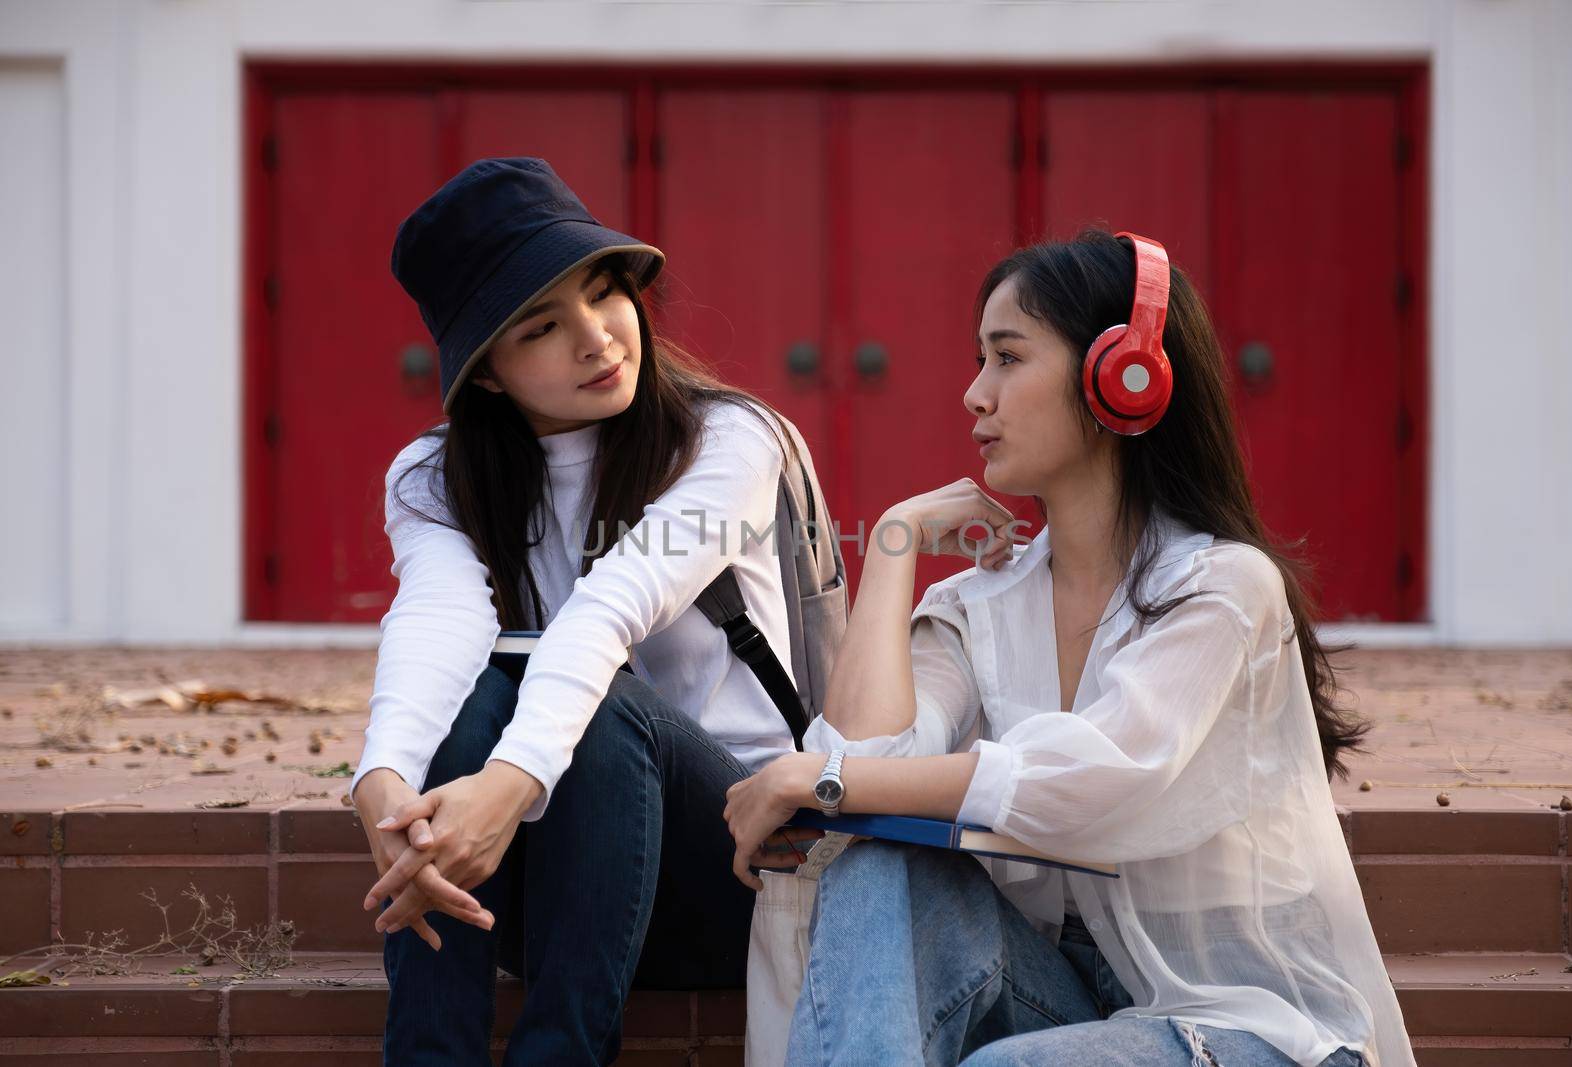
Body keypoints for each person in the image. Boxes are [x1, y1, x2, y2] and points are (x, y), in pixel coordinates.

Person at [723, 231, 1413, 1066]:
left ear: (1123, 378)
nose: (975, 395)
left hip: (1252, 1026)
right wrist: (897, 542)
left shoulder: (1226, 590)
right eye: (980, 361)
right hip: (1069, 998)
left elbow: (1084, 786)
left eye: (1007, 358)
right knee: (874, 867)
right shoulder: (980, 605)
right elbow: (860, 759)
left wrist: (823, 778)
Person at [350, 157, 810, 1066]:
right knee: (471, 685)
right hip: (528, 892)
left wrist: (510, 782)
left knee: (588, 687)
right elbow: (437, 620)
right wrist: (384, 786)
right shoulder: (432, 477)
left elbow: (611, 608)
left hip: (729, 873)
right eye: (543, 325)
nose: (599, 337)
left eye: (606, 295)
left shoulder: (727, 441)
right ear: (485, 374)